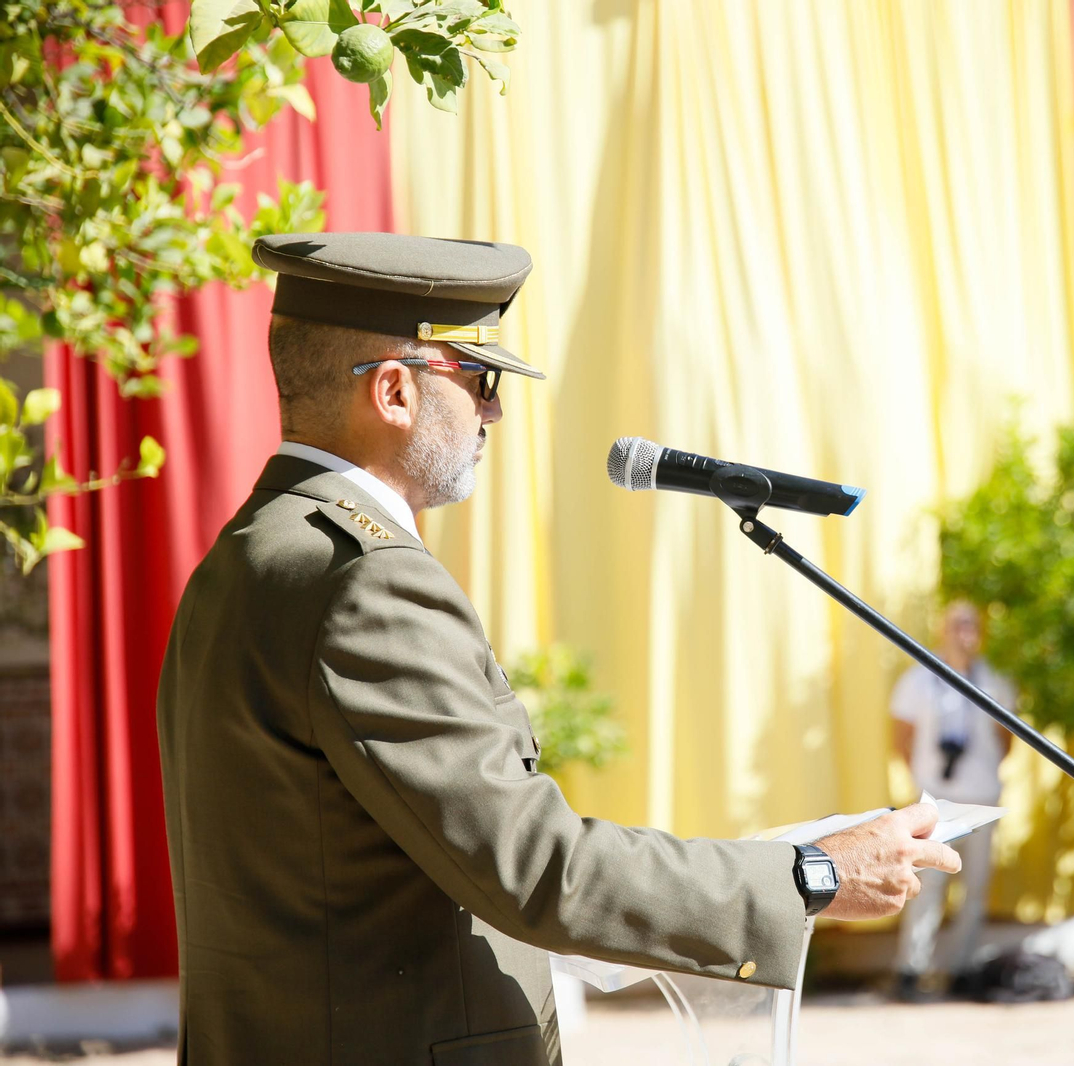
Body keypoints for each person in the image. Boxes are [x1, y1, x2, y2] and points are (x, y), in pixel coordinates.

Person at [155, 232, 961, 1065]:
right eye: (480, 378)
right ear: (394, 391)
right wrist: (808, 877)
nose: (494, 411)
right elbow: (538, 869)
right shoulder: (367, 583)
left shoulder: (251, 553)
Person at [888, 599, 1015, 998]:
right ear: (942, 629)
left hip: (981, 797)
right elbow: (901, 739)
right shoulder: (918, 679)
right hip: (935, 800)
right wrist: (926, 780)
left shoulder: (995, 681)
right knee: (925, 886)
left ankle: (961, 968)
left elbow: (1005, 739)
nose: (965, 632)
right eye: (958, 624)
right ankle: (912, 968)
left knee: (975, 887)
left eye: (972, 624)